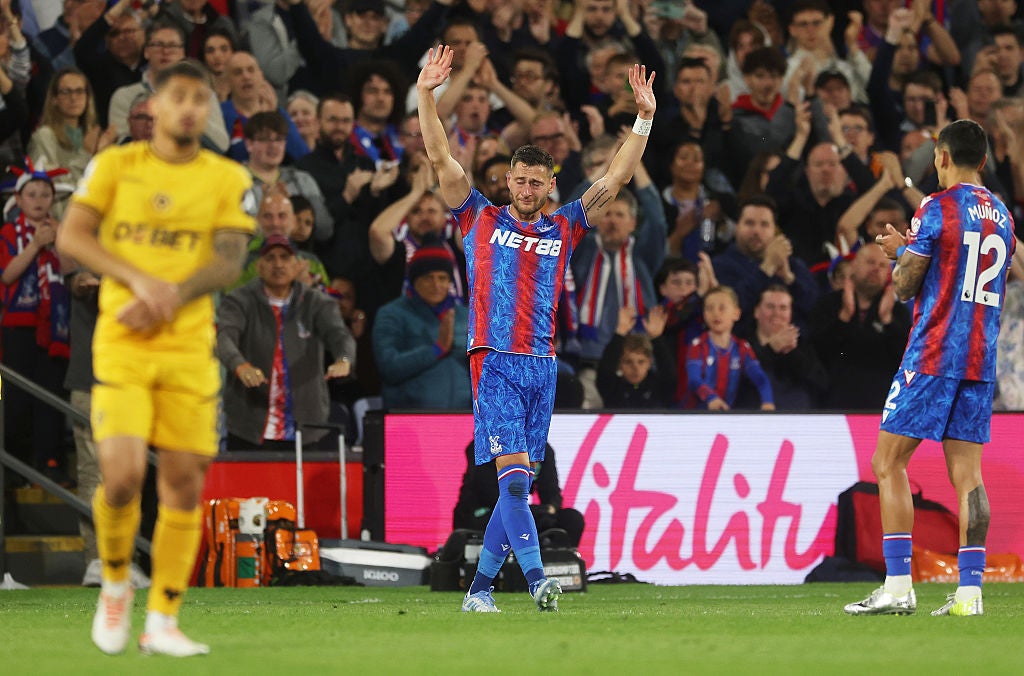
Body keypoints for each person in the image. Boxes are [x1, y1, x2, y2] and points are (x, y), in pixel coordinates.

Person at [417, 44, 656, 613]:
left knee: (517, 484)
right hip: (493, 358)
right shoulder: (478, 216)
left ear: (550, 184)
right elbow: (439, 158)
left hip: (542, 365)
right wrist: (427, 96)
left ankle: (478, 592)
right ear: (507, 182)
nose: (525, 189)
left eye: (534, 182)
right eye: (517, 180)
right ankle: (537, 580)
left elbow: (616, 177)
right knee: (517, 483)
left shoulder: (566, 225)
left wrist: (643, 119)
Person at [56, 59, 255, 657]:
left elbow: (229, 258)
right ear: (156, 105)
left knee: (183, 486)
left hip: (190, 349)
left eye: (202, 98)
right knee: (119, 478)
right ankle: (115, 582)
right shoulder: (115, 165)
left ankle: (163, 618)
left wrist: (173, 294)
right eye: (179, 97)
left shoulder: (226, 176)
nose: (190, 107)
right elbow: (72, 237)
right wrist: (141, 282)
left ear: (210, 108)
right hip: (122, 342)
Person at [844, 119, 1017, 617]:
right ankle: (970, 594)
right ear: (982, 160)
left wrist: (900, 251)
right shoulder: (1003, 215)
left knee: (888, 463)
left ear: (942, 157)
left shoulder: (937, 207)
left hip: (934, 352)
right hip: (981, 358)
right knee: (969, 476)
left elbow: (904, 285)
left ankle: (898, 586)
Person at [217, 234, 356, 450]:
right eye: (270, 258)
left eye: (285, 257)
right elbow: (225, 338)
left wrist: (344, 359)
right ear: (259, 266)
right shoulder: (238, 300)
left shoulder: (317, 303)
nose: (278, 264)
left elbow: (341, 336)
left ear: (297, 265)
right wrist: (240, 365)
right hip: (250, 427)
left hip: (308, 427)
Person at [372, 244, 470, 409]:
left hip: (465, 420)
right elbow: (389, 368)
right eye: (428, 278)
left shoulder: (466, 316)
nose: (436, 285)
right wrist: (437, 349)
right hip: (409, 421)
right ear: (414, 281)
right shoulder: (392, 314)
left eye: (442, 278)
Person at [453, 441, 585, 549]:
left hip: (521, 513)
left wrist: (550, 508)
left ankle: (556, 566)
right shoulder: (485, 446)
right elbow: (489, 494)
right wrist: (537, 512)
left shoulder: (541, 449)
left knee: (572, 519)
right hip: (482, 513)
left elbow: (551, 492)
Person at [683, 285, 774, 411]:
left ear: (736, 314)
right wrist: (711, 398)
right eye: (709, 308)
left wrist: (767, 401)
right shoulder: (698, 346)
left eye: (722, 308)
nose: (715, 313)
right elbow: (694, 380)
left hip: (727, 417)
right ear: (704, 314)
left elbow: (760, 378)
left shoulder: (742, 348)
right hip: (693, 416)